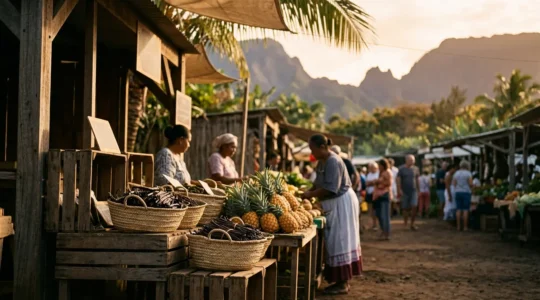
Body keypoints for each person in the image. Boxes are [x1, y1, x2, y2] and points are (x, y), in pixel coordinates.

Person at [302, 134, 362, 295]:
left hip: (341, 202)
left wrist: (310, 195)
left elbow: (330, 188)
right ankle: (340, 281)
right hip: (333, 203)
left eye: (312, 149)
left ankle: (343, 283)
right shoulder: (321, 162)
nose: (311, 152)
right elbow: (318, 183)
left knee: (340, 240)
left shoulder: (333, 161)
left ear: (322, 147)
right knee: (334, 240)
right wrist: (309, 191)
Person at [396, 154, 420, 230]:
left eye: (413, 160)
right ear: (406, 160)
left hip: (413, 190)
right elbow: (398, 180)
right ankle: (405, 223)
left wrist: (419, 190)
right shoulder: (401, 169)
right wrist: (399, 189)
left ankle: (412, 223)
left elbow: (417, 179)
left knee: (414, 206)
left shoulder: (416, 169)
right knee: (405, 208)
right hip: (405, 191)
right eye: (410, 160)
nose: (412, 161)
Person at [373, 158, 393, 240]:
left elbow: (389, 183)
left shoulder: (387, 172)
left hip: (384, 195)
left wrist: (378, 182)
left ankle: (386, 233)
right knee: (379, 215)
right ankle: (383, 231)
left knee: (384, 215)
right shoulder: (381, 173)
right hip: (379, 196)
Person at [453, 160, 473, 231]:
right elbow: (470, 184)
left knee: (458, 209)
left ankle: (458, 226)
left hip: (458, 192)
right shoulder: (468, 173)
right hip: (466, 192)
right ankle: (465, 227)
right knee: (465, 210)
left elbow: (454, 183)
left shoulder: (456, 173)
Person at [365, 162, 380, 230]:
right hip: (369, 194)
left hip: (376, 194)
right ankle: (371, 224)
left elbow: (377, 183)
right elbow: (367, 183)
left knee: (375, 210)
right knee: (370, 210)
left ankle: (375, 224)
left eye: (373, 168)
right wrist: (373, 182)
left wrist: (372, 183)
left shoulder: (379, 174)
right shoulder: (369, 174)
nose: (371, 169)